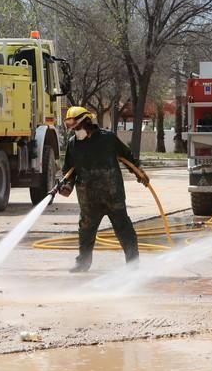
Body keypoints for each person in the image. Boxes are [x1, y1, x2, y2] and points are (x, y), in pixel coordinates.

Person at [60, 106, 149, 273]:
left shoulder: (108, 139)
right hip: (88, 199)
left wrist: (139, 172)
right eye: (73, 129)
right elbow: (69, 170)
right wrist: (67, 186)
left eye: (77, 128)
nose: (75, 132)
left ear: (87, 122)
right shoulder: (73, 144)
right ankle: (83, 263)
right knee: (85, 231)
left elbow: (127, 157)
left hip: (112, 195)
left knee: (124, 229)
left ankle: (133, 264)